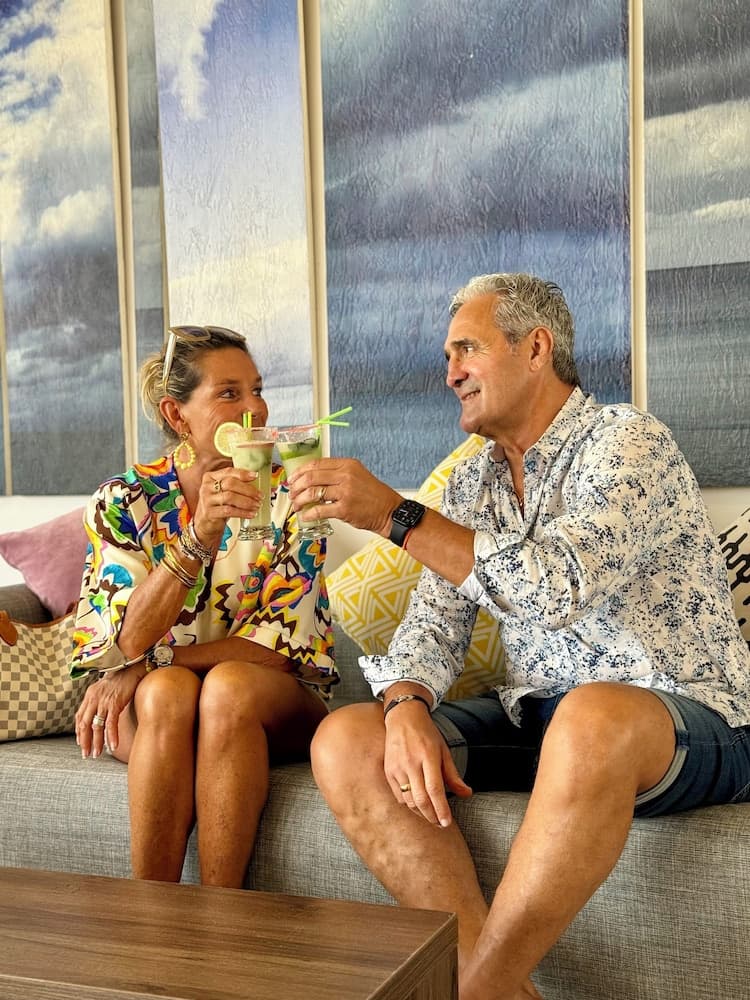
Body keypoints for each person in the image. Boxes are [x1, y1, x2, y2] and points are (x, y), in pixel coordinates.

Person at [286, 273, 750, 1000]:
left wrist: (394, 516)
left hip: (691, 720)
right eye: (447, 357)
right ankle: (498, 990)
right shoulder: (473, 482)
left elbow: (556, 587)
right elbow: (433, 627)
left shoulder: (628, 443)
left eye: (467, 349)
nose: (451, 374)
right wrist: (404, 704)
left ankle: (473, 991)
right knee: (348, 738)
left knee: (591, 716)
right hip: (543, 719)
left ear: (536, 348)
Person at [72, 325, 336, 888]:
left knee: (226, 687)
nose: (255, 408)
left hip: (266, 699)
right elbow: (124, 640)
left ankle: (222, 916)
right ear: (177, 415)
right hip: (159, 703)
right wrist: (199, 535)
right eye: (229, 393)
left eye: (257, 389)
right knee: (167, 693)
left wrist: (151, 662)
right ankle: (156, 917)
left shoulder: (293, 495)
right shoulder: (122, 501)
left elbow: (278, 649)